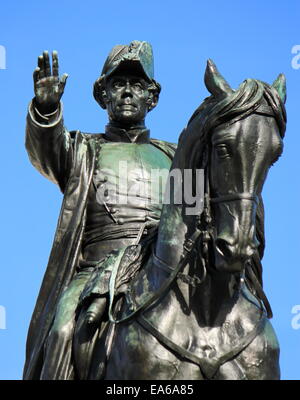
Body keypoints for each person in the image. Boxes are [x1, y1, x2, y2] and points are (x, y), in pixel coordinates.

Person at [24, 41, 176, 380]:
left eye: (137, 85)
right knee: (63, 331)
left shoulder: (177, 157)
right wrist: (47, 111)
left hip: (164, 271)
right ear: (102, 94)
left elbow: (195, 215)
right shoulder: (83, 149)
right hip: (95, 272)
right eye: (118, 84)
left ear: (152, 97)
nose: (127, 92)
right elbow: (46, 153)